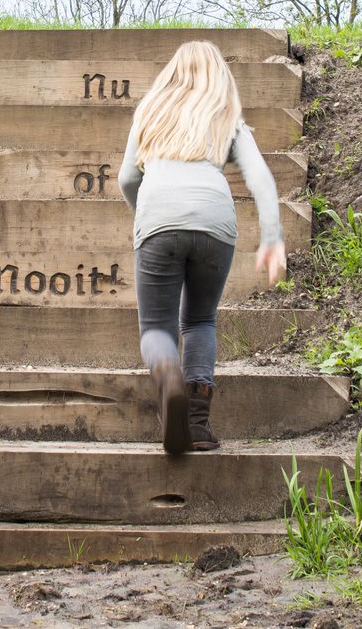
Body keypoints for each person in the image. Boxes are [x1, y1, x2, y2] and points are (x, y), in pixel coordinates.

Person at [118, 42, 287, 455]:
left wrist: (148, 218)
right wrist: (272, 237)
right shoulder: (227, 117)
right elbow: (261, 178)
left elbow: (126, 179)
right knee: (199, 320)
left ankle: (167, 376)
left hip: (158, 221)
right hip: (215, 224)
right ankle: (195, 422)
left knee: (157, 329)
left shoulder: (149, 113)